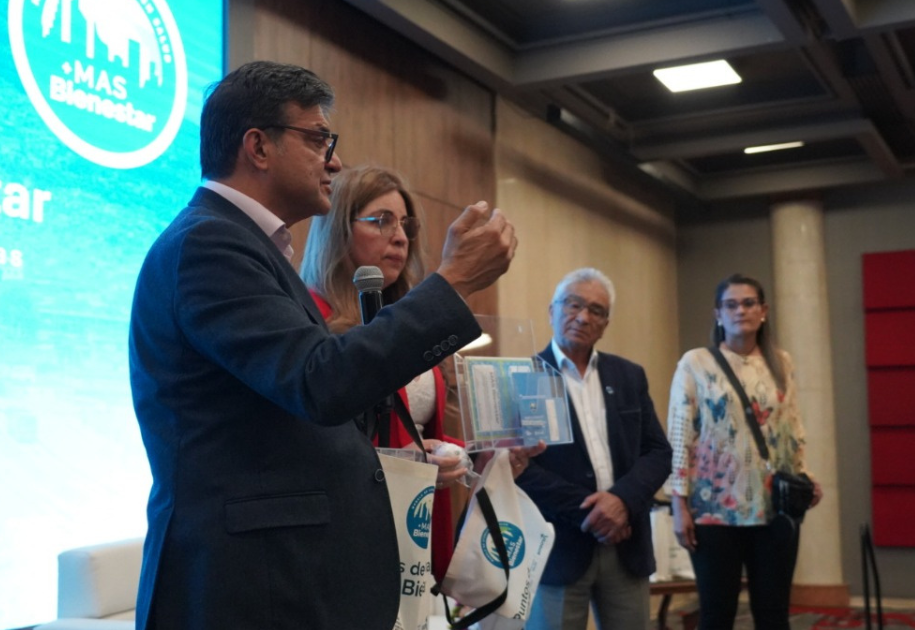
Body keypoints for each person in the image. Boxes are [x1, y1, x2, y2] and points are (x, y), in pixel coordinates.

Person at [128, 61, 517, 630]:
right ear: (257, 146)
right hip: (253, 586)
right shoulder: (209, 245)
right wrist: (451, 283)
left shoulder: (247, 246)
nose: (334, 159)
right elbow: (318, 382)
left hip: (287, 579)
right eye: (317, 140)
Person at [298, 164, 467, 583]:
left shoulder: (408, 323)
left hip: (417, 522)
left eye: (405, 225)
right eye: (381, 221)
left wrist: (475, 456)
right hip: (350, 533)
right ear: (338, 228)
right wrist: (407, 459)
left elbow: (418, 427)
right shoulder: (309, 321)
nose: (401, 237)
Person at [516, 267, 673, 630]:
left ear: (605, 323)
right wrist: (594, 513)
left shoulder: (628, 376)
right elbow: (522, 469)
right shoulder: (525, 376)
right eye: (573, 304)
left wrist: (621, 502)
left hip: (626, 544)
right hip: (559, 545)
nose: (583, 316)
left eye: (596, 310)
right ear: (551, 310)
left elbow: (658, 451)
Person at [665, 273, 822, 630]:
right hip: (713, 510)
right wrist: (679, 504)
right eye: (731, 304)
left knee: (773, 614)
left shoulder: (781, 363)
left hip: (774, 508)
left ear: (763, 311)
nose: (740, 311)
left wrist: (806, 476)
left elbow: (793, 428)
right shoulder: (695, 363)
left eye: (748, 303)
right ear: (718, 314)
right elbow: (679, 435)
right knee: (717, 615)